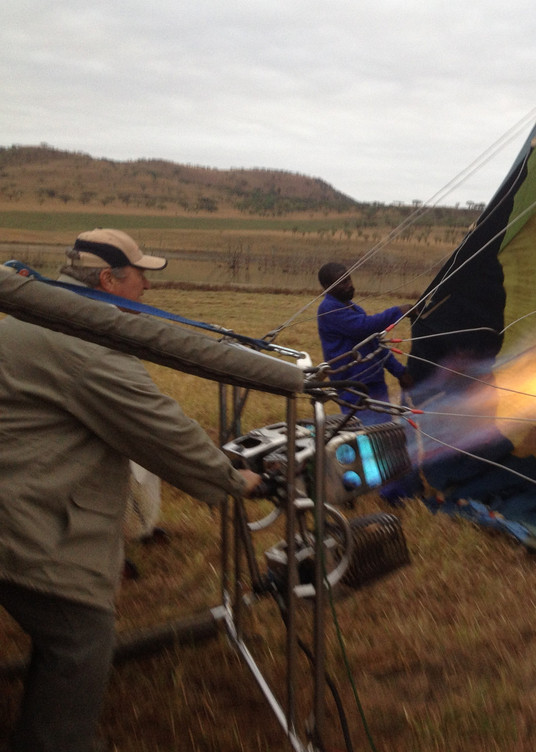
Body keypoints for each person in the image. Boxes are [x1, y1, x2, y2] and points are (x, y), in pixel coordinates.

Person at [0, 228, 262, 752]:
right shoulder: (86, 347)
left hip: (17, 484)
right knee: (79, 635)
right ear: (107, 279)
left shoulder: (31, 319)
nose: (147, 284)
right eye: (141, 273)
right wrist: (233, 479)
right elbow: (161, 429)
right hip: (23, 514)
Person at [316, 261, 413, 424]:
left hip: (374, 382)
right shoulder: (328, 309)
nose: (349, 285)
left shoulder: (353, 308)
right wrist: (398, 311)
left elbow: (373, 344)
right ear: (327, 286)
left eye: (348, 280)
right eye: (342, 283)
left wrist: (399, 372)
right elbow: (363, 327)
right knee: (368, 435)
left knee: (384, 431)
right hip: (353, 387)